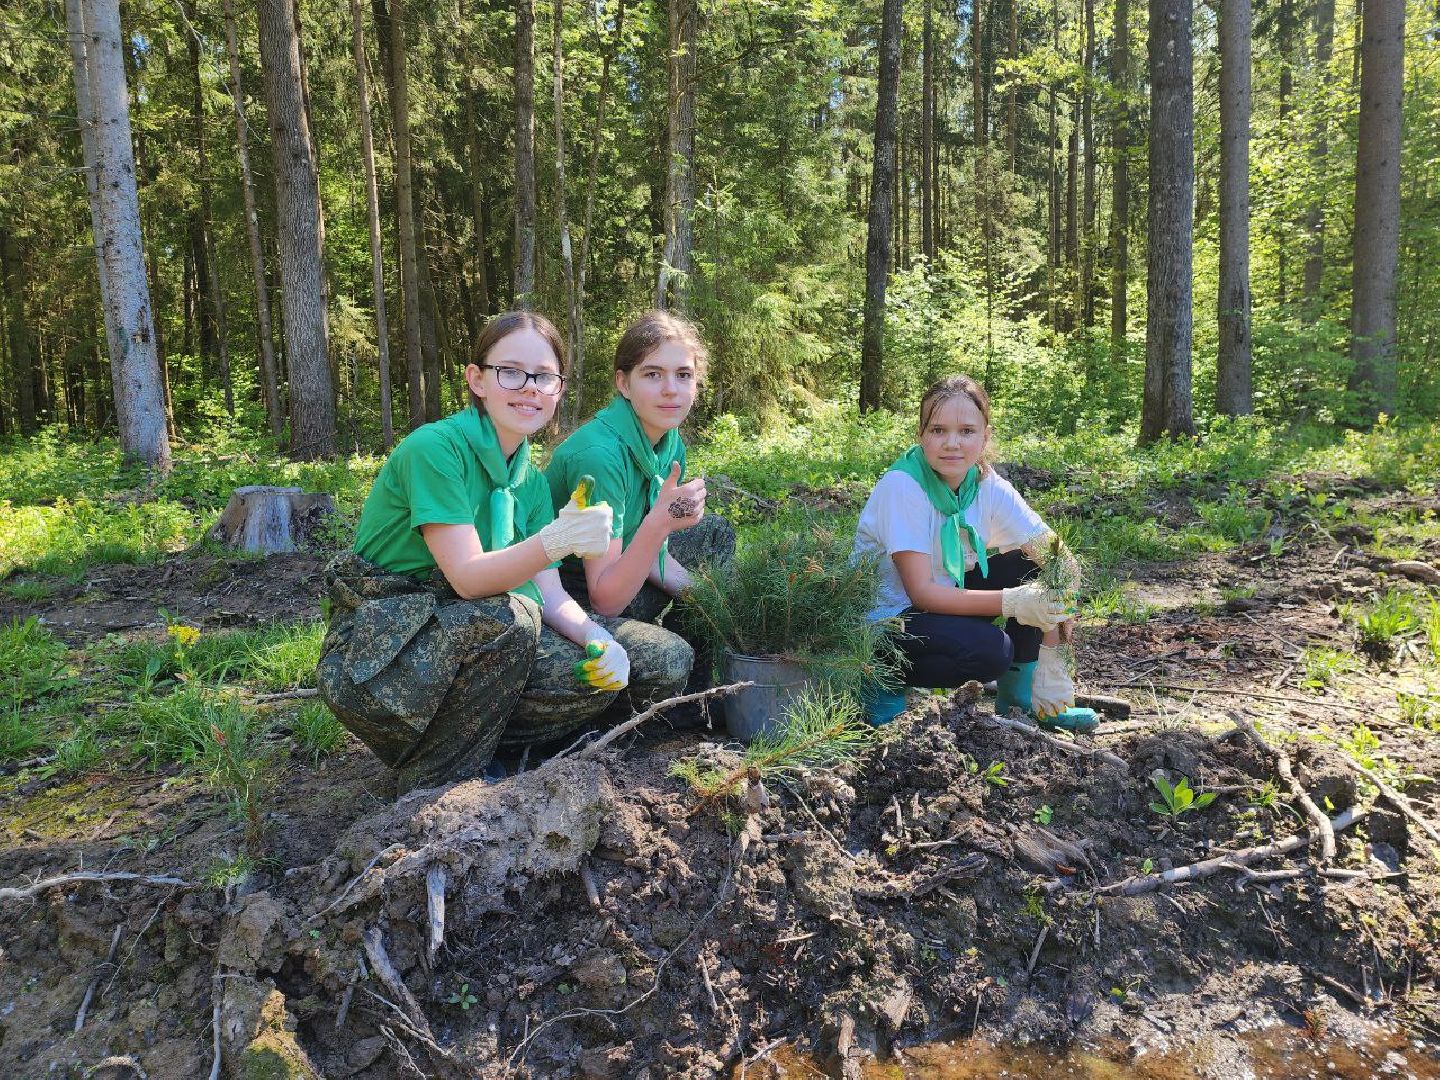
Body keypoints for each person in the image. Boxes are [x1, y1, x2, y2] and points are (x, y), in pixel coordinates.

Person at [316, 311, 695, 793]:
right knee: (512, 618)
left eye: (544, 376)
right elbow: (470, 581)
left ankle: (513, 752)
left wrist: (600, 640)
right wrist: (555, 540)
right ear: (478, 379)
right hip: (378, 654)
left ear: (559, 390)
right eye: (510, 372)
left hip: (471, 638)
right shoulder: (436, 449)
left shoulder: (530, 483)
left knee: (646, 662)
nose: (529, 388)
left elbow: (552, 595)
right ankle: (435, 784)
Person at [853, 375, 1098, 732]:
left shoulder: (985, 485)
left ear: (985, 436)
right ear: (921, 435)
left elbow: (1061, 559)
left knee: (1034, 566)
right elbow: (920, 593)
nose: (952, 443)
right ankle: (881, 683)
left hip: (939, 602)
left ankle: (1027, 701)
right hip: (887, 623)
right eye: (938, 430)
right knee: (990, 651)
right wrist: (1013, 603)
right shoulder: (903, 486)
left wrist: (1055, 648)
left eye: (967, 431)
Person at [545, 311, 734, 627]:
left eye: (684, 375)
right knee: (660, 646)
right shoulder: (600, 458)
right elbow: (604, 600)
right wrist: (660, 524)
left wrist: (712, 601)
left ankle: (703, 652)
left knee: (714, 532)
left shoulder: (669, 442)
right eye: (653, 374)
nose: (671, 389)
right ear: (624, 383)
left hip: (618, 558)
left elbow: (651, 554)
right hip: (568, 585)